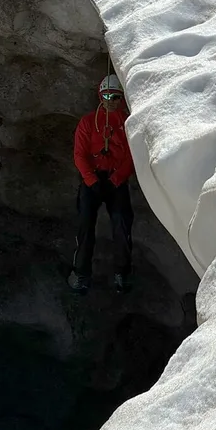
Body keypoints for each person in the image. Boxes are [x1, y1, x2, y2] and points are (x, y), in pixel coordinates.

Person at [69, 73, 134, 293]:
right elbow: (79, 154)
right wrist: (92, 180)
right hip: (93, 180)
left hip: (116, 180)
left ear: (121, 99)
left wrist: (115, 180)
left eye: (115, 96)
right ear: (100, 95)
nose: (110, 100)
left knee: (121, 223)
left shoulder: (127, 123)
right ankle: (81, 273)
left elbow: (132, 156)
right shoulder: (88, 122)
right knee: (85, 224)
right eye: (106, 95)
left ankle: (122, 273)